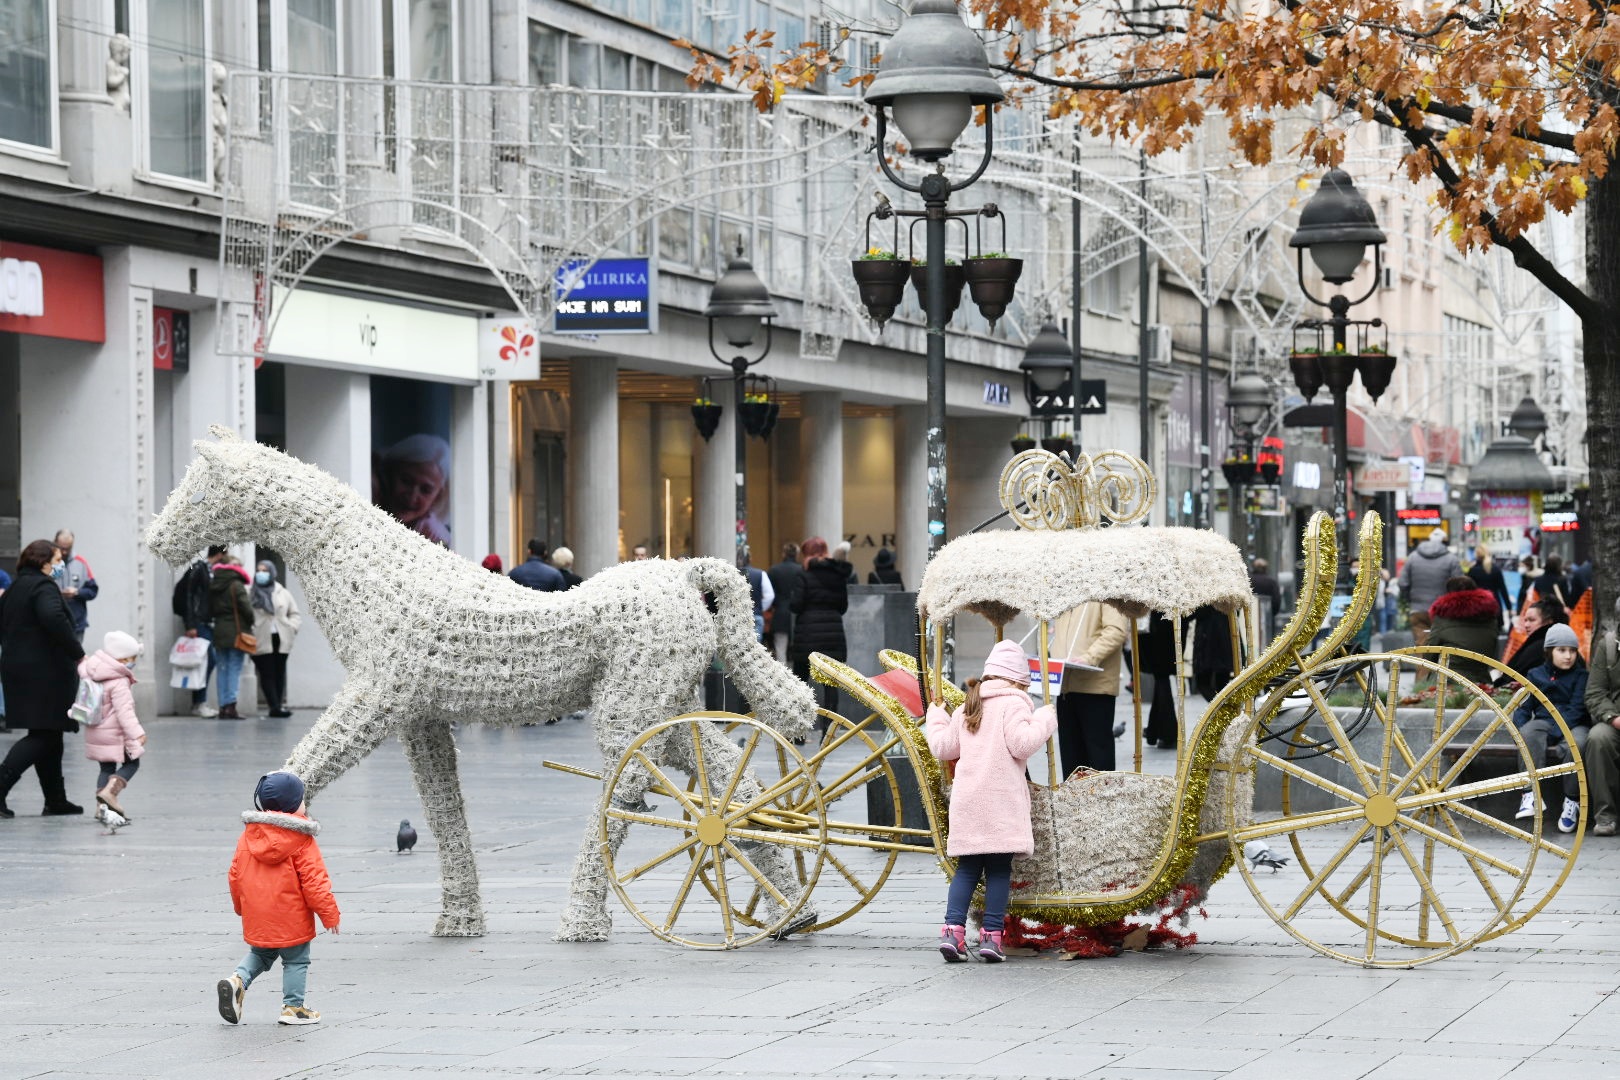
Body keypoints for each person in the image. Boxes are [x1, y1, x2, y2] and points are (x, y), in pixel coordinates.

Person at [925, 640, 1057, 963]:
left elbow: (943, 747)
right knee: (999, 871)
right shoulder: (1015, 704)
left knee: (967, 869)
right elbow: (1022, 743)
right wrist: (1045, 720)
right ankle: (991, 937)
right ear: (1018, 681)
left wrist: (936, 717)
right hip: (1000, 805)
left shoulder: (968, 705)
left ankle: (952, 932)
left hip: (968, 803)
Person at [218, 771, 340, 1026]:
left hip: (258, 912)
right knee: (296, 959)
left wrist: (242, 907)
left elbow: (234, 875)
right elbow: (314, 881)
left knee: (261, 954)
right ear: (294, 805)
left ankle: (237, 980)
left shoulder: (249, 836)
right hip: (291, 914)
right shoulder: (301, 839)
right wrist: (329, 914)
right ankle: (293, 1007)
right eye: (302, 799)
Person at [0, 540, 88, 817]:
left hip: (21, 669)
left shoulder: (16, 586)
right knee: (44, 735)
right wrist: (78, 652)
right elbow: (53, 618)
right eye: (58, 558)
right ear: (44, 561)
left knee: (48, 732)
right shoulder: (43, 586)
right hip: (44, 672)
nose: (61, 563)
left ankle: (55, 799)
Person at [1511, 623, 1589, 833]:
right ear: (1549, 651)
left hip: (1573, 723)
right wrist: (1518, 728)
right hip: (1545, 721)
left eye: (1572, 651)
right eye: (1562, 650)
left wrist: (1557, 734)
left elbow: (1576, 709)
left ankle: (1571, 801)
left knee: (1578, 744)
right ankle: (1531, 794)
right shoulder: (1535, 674)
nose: (1568, 656)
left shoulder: (1581, 676)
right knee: (1528, 733)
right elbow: (1524, 705)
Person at [1051, 600, 1130, 774]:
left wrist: (1089, 657)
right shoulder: (1068, 594)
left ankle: (1101, 800)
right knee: (1071, 759)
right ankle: (1073, 800)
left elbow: (1116, 631)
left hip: (1095, 687)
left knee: (1098, 760)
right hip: (1065, 686)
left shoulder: (1106, 590)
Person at [80, 629, 147, 822]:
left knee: (106, 768)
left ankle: (102, 809)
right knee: (132, 763)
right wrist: (137, 734)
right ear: (124, 659)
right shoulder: (118, 681)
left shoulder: (91, 671)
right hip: (115, 734)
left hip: (96, 731)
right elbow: (124, 712)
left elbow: (80, 664)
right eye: (133, 658)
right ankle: (110, 793)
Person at [790, 537, 850, 718]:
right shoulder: (838, 574)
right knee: (830, 684)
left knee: (800, 682)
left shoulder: (803, 574)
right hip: (833, 634)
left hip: (807, 634)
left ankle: (799, 731)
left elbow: (796, 605)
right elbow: (843, 607)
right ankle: (829, 733)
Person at [1583, 597, 1620, 836]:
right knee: (1598, 738)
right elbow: (1595, 692)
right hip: (1616, 720)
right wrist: (1613, 718)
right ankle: (1605, 815)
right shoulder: (1608, 646)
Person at [1423, 576, 1501, 684]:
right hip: (1481, 683)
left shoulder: (1442, 616)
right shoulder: (1490, 617)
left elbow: (1429, 655)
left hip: (1447, 681)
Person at [376, 434, 452, 546]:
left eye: (426, 490)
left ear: (438, 496)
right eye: (406, 481)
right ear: (389, 474)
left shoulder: (438, 540)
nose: (412, 496)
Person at [250, 562, 302, 719]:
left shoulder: (282, 592)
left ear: (271, 572)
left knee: (279, 671)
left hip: (281, 636)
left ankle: (278, 705)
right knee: (266, 673)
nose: (261, 573)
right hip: (260, 636)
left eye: (265, 571)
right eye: (258, 571)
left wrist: (292, 627)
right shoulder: (250, 591)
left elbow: (294, 613)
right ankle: (274, 706)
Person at [208, 546, 255, 720]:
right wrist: (251, 622)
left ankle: (222, 707)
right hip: (236, 631)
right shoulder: (236, 584)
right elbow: (247, 609)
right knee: (234, 668)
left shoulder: (214, 584)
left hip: (219, 630)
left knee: (222, 668)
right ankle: (230, 707)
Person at [1399, 529, 1461, 645]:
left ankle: (1422, 663)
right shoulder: (1451, 559)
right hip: (1443, 611)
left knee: (1422, 646)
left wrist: (1410, 599)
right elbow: (1459, 585)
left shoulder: (1413, 557)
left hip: (1418, 610)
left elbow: (1403, 583)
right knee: (1443, 647)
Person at [172, 553, 216, 716]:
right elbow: (190, 596)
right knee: (206, 661)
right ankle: (199, 703)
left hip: (207, 623)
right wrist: (190, 624)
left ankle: (199, 702)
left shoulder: (209, 570)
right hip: (199, 623)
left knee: (206, 662)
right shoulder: (199, 569)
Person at [1498, 598, 1567, 687]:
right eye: (1525, 620)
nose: (1526, 625)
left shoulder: (1540, 647)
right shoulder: (1541, 643)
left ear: (1549, 621)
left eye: (1531, 620)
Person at [1141, 611, 1180, 750]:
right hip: (1168, 628)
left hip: (1158, 630)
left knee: (1161, 678)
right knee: (1161, 679)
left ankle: (1167, 733)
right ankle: (1155, 731)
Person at [52, 529, 98, 642]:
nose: (64, 552)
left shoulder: (81, 563)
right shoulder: (47, 562)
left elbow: (93, 590)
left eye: (68, 548)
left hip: (76, 622)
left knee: (76, 658)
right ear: (54, 543)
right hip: (53, 620)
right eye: (61, 548)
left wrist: (77, 592)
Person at [766, 543, 804, 665]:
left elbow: (769, 594)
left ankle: (782, 680)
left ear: (783, 553)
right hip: (799, 615)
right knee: (800, 651)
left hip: (780, 614)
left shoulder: (774, 570)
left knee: (780, 650)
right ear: (797, 554)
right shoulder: (802, 570)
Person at [1467, 546, 1513, 625]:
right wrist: (1509, 608)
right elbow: (1503, 589)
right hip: (1495, 605)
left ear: (1476, 555)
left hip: (1478, 607)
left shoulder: (1472, 571)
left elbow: (1468, 591)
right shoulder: (1495, 569)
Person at [741, 549, 775, 643]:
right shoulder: (760, 573)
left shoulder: (734, 574)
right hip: (756, 615)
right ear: (750, 559)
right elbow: (770, 595)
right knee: (755, 650)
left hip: (739, 617)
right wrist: (760, 607)